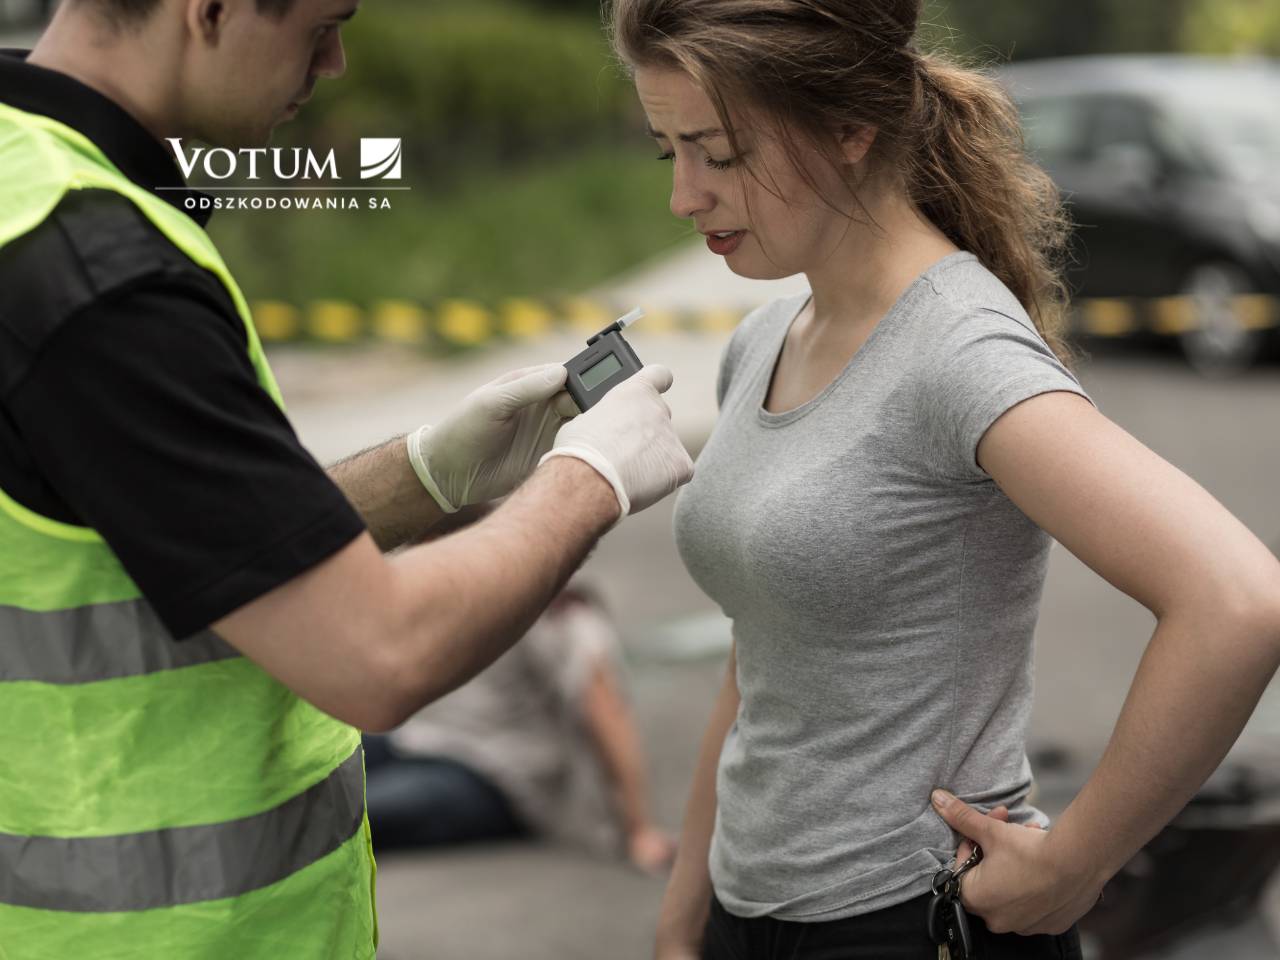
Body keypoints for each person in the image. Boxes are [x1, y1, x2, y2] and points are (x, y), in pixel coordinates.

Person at [0, 1, 694, 957]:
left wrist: (429, 475)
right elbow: (378, 655)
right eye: (322, 23)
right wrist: (590, 477)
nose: (334, 63)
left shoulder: (26, 189)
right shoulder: (99, 276)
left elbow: (189, 540)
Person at [605, 0, 1280, 957]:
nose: (683, 195)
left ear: (849, 129)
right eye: (665, 149)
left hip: (910, 923)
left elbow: (1237, 601)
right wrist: (686, 912)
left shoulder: (957, 349)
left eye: (720, 152)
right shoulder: (764, 340)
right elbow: (761, 654)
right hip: (746, 915)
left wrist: (1075, 863)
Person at [364, 582, 677, 873]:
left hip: (496, 775)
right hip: (419, 739)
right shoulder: (464, 573)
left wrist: (639, 829)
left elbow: (605, 709)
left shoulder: (556, 605)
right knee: (319, 755)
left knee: (347, 811)